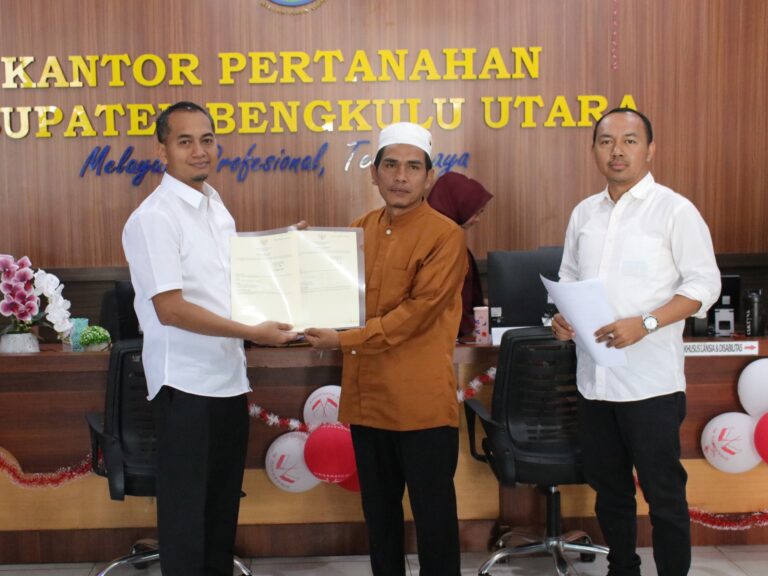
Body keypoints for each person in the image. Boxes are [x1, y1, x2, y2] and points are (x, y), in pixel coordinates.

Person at [122, 101, 298, 576]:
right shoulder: (155, 218)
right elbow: (171, 309)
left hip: (227, 381)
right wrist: (253, 333)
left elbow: (228, 280)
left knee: (220, 513)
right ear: (162, 150)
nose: (199, 151)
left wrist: (286, 249)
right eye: (185, 141)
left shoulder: (215, 207)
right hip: (185, 387)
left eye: (207, 139)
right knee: (186, 523)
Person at [552, 108, 720, 576]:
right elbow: (568, 278)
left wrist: (646, 323)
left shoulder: (675, 210)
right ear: (594, 150)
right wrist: (560, 319)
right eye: (606, 141)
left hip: (651, 385)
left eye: (629, 140)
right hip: (595, 381)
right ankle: (621, 569)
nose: (617, 151)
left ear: (650, 150)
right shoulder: (584, 213)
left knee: (664, 495)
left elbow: (704, 286)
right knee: (610, 492)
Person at [304, 122, 468, 576]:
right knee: (379, 520)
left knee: (435, 522)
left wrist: (343, 340)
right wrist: (300, 254)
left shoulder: (446, 236)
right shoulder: (358, 230)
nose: (400, 176)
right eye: (390, 165)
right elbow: (333, 295)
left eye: (413, 167)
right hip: (367, 403)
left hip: (421, 408)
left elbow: (415, 316)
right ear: (373, 173)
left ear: (429, 177)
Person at [427, 171, 493, 339]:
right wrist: (468, 326)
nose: (477, 219)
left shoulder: (442, 236)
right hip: (444, 336)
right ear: (459, 205)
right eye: (476, 212)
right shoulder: (441, 242)